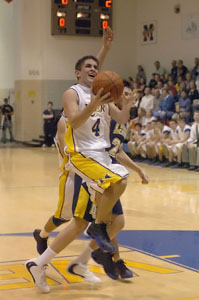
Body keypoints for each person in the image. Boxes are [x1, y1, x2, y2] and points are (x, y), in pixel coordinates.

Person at [25, 27, 138, 292]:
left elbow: (121, 119)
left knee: (87, 222)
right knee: (118, 181)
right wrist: (93, 103)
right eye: (87, 66)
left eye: (95, 67)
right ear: (77, 73)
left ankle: (45, 262)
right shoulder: (72, 93)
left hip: (102, 159)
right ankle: (96, 235)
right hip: (83, 159)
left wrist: (128, 104)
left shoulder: (102, 94)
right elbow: (74, 121)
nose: (92, 69)